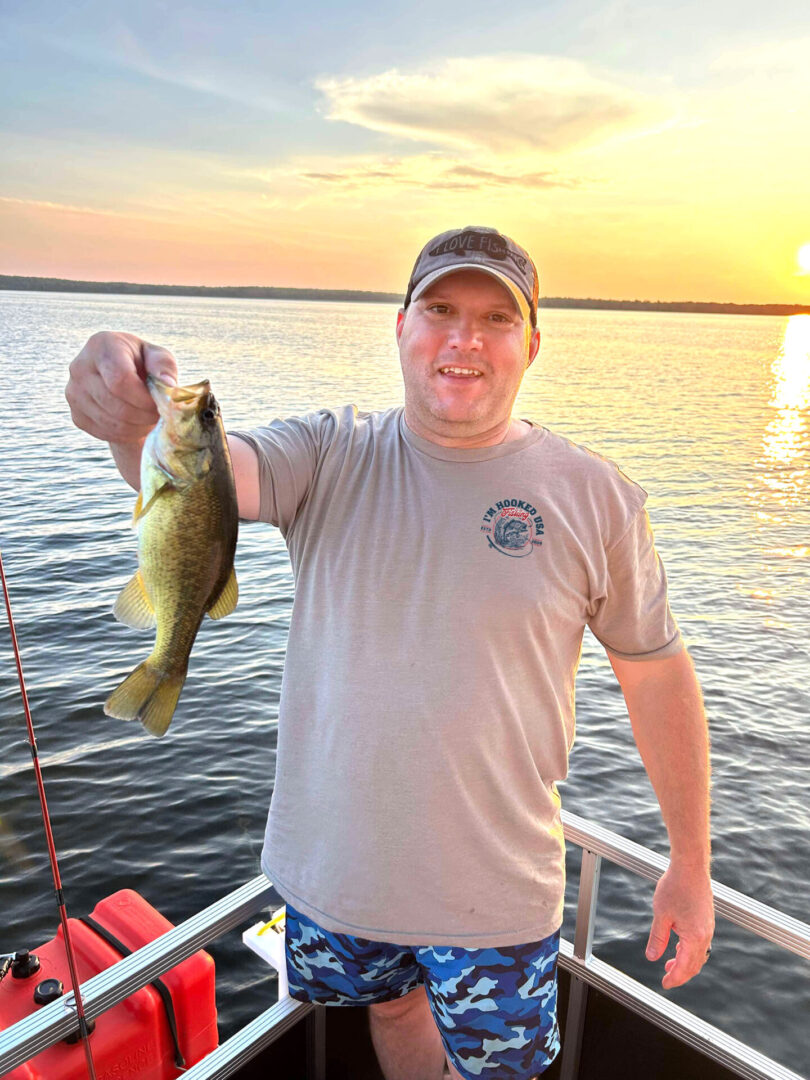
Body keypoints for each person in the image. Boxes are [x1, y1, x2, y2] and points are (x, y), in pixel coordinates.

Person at [66, 226, 714, 1080]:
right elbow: (213, 475)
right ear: (401, 326)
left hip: (500, 894)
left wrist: (691, 863)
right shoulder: (330, 451)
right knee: (394, 1008)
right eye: (440, 309)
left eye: (496, 317)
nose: (464, 338)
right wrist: (123, 404)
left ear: (533, 344)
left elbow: (658, 676)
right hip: (337, 877)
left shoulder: (598, 498)